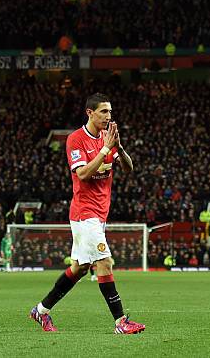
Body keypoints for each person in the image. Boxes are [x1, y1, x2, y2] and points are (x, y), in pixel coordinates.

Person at [29, 93, 145, 334]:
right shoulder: (76, 139)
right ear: (90, 113)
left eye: (110, 112)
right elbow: (82, 174)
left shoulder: (107, 138)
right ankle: (120, 322)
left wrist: (119, 148)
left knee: (80, 268)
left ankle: (40, 311)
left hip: (100, 215)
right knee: (104, 262)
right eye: (104, 111)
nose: (109, 116)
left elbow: (128, 168)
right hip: (85, 213)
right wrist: (104, 150)